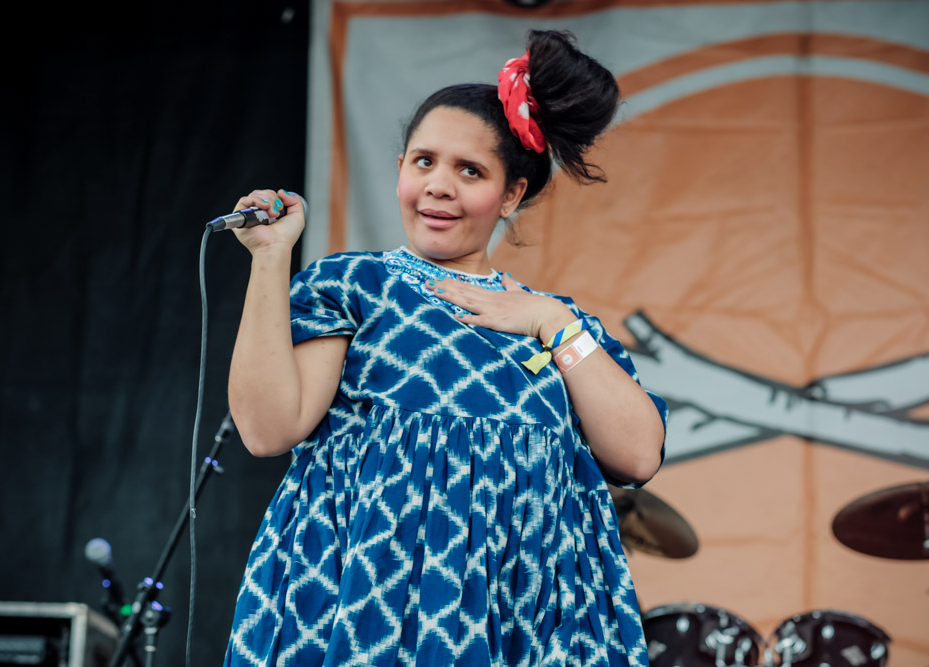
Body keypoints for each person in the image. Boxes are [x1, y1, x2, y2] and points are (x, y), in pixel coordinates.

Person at [223, 29, 668, 667]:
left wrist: (549, 321)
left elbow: (637, 455)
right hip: (371, 603)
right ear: (400, 169)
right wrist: (271, 260)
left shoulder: (559, 323)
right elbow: (268, 430)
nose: (438, 185)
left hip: (522, 614)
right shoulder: (355, 285)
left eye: (470, 170)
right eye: (423, 161)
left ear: (511, 194)